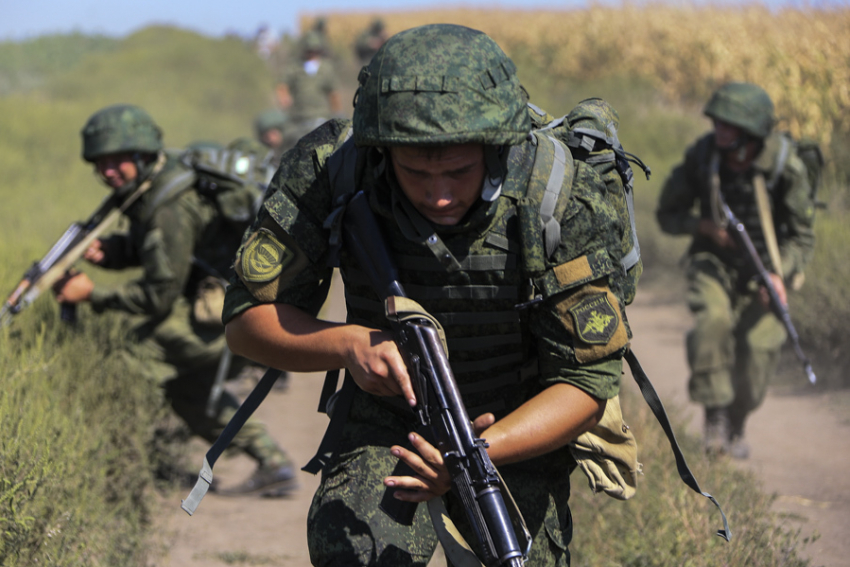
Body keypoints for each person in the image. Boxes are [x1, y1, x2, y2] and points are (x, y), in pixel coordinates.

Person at [224, 24, 630, 566]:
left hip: (516, 421)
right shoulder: (335, 168)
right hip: (390, 423)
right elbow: (248, 321)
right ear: (383, 149)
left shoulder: (559, 195)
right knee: (358, 553)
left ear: (495, 148)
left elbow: (586, 383)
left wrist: (475, 456)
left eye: (459, 171)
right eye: (414, 171)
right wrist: (348, 344)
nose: (438, 194)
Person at [53, 104, 297, 495]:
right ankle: (272, 462)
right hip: (233, 305)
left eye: (118, 160)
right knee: (188, 393)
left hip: (231, 314)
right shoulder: (162, 180)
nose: (109, 171)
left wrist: (92, 296)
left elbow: (158, 295)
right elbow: (168, 253)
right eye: (101, 163)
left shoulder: (167, 204)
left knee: (128, 356)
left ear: (142, 154)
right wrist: (114, 252)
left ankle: (119, 467)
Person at [656, 82, 816, 459]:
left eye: (729, 125)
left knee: (759, 350)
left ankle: (737, 420)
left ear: (751, 132)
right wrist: (703, 228)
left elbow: (802, 238)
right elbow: (667, 214)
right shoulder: (702, 158)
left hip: (767, 273)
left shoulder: (784, 168)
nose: (719, 130)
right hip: (714, 265)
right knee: (713, 322)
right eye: (717, 122)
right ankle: (715, 419)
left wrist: (781, 275)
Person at [274, 30, 342, 149]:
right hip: (298, 118)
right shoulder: (295, 67)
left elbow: (333, 93)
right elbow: (282, 86)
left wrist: (336, 113)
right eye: (309, 50)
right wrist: (284, 98)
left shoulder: (326, 68)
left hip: (320, 117)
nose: (312, 54)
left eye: (315, 50)